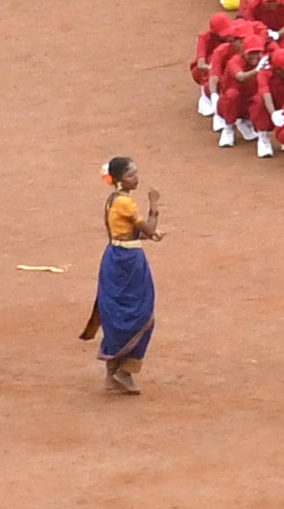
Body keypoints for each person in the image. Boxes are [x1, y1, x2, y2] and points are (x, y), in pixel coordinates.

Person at [84, 156, 162, 393]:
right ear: (119, 179)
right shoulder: (127, 203)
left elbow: (125, 231)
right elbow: (149, 229)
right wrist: (154, 205)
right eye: (130, 174)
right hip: (130, 263)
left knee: (115, 314)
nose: (135, 178)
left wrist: (145, 234)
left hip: (114, 259)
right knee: (141, 312)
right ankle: (124, 371)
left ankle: (112, 373)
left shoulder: (112, 200)